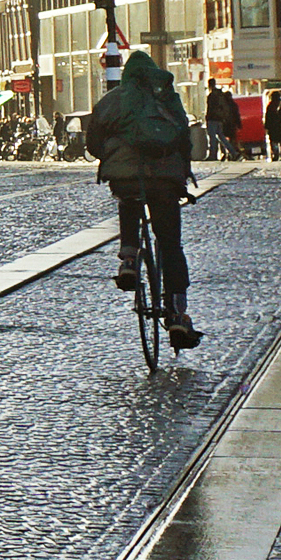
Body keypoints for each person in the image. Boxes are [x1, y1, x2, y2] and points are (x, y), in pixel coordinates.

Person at [86, 50, 201, 351]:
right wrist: (182, 170)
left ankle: (128, 259)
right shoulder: (167, 98)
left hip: (126, 176)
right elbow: (185, 138)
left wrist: (110, 157)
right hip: (165, 181)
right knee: (171, 244)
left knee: (129, 201)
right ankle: (177, 313)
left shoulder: (114, 99)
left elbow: (92, 141)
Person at [203, 81, 233, 162]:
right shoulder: (220, 94)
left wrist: (207, 117)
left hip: (212, 119)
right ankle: (233, 152)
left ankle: (213, 155)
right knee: (221, 136)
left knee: (212, 138)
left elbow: (210, 109)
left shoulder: (212, 95)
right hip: (219, 119)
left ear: (209, 85)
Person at [264, 90, 281, 162]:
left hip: (272, 126)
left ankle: (275, 154)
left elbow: (267, 116)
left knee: (273, 141)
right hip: (280, 124)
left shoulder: (270, 105)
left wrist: (266, 126)